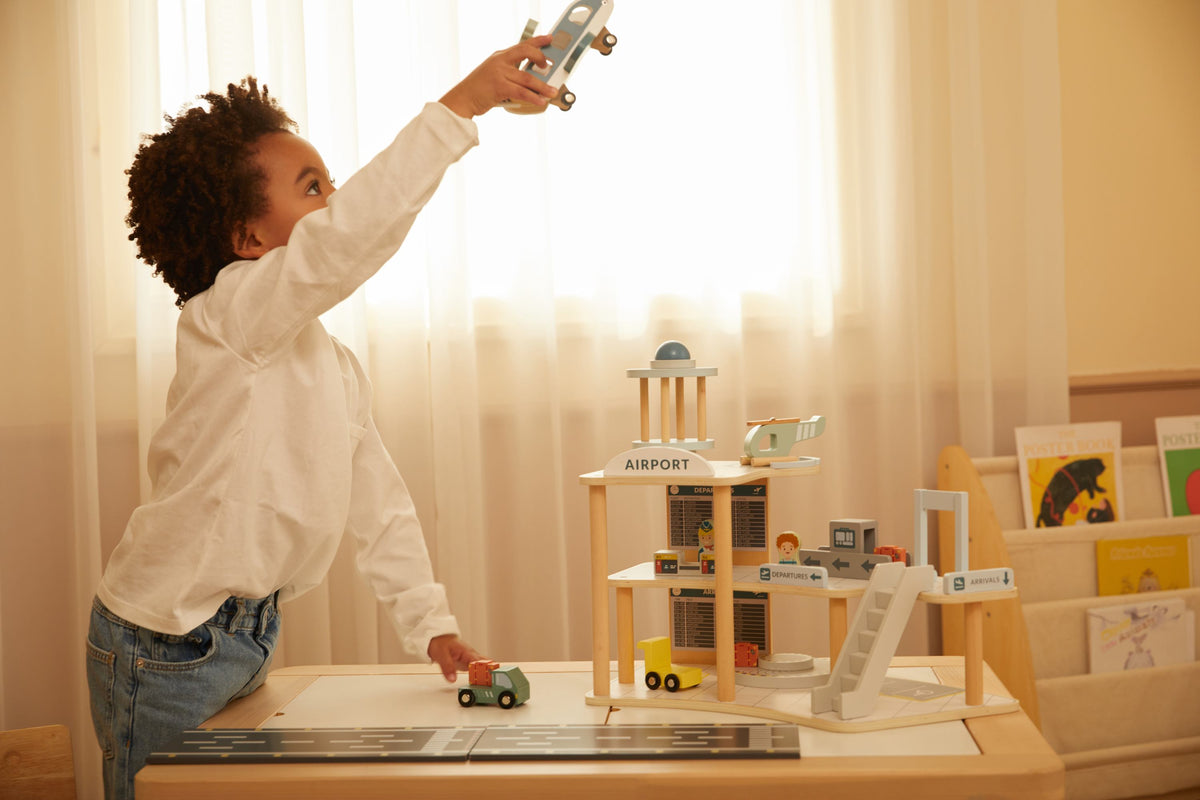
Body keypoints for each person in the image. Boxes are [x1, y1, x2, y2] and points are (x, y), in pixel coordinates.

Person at [85, 35, 558, 800]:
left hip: (240, 637)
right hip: (163, 642)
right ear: (248, 241)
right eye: (312, 190)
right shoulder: (230, 317)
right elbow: (347, 243)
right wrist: (463, 105)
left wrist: (428, 623)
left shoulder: (325, 362)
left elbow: (378, 500)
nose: (333, 204)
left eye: (330, 186)